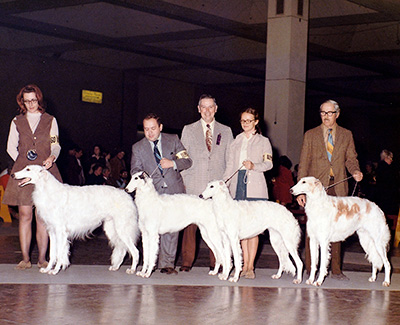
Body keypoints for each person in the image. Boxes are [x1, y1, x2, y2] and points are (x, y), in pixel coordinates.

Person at [296, 99, 363, 280]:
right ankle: (311, 269)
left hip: (339, 185)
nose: (326, 116)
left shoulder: (346, 134)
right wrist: (302, 191)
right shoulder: (310, 134)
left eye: (330, 113)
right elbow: (303, 164)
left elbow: (351, 158)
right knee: (314, 230)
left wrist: (355, 171)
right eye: (323, 113)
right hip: (316, 191)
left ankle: (336, 270)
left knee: (337, 227)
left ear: (337, 114)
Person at [3, 84, 62, 270]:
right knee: (25, 215)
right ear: (22, 102)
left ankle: (42, 259)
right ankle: (25, 258)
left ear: (39, 99)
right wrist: (23, 164)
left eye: (34, 100)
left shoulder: (50, 120)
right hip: (24, 173)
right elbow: (10, 147)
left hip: (46, 172)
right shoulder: (16, 121)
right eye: (27, 101)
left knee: (43, 217)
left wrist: (52, 157)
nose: (30, 104)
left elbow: (56, 144)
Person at [131, 113, 192, 274]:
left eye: (153, 128)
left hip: (173, 190)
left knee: (171, 229)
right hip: (152, 195)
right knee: (150, 230)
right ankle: (150, 263)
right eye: (146, 129)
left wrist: (172, 163)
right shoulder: (137, 148)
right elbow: (135, 170)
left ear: (160, 127)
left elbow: (187, 161)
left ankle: (167, 264)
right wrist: (142, 176)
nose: (150, 132)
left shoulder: (173, 140)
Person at [179, 94, 233, 272]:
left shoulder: (226, 131)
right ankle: (186, 261)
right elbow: (182, 157)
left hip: (216, 189)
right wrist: (184, 181)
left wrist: (224, 185)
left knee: (217, 225)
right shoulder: (188, 129)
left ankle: (216, 261)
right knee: (190, 226)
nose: (207, 110)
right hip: (194, 184)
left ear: (216, 109)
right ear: (198, 109)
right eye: (204, 107)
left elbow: (230, 160)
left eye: (211, 107)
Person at [223, 108, 273, 279]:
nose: (245, 124)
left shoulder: (263, 141)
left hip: (255, 185)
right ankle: (244, 265)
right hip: (238, 185)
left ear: (256, 122)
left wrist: (254, 166)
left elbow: (268, 164)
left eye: (249, 121)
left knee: (254, 229)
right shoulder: (235, 141)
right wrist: (224, 184)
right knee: (241, 228)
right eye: (243, 121)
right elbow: (230, 166)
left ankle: (250, 266)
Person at [375, 150, 399, 235]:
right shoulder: (386, 168)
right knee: (390, 213)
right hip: (387, 194)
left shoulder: (381, 167)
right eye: (390, 158)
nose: (391, 160)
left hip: (384, 194)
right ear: (386, 158)